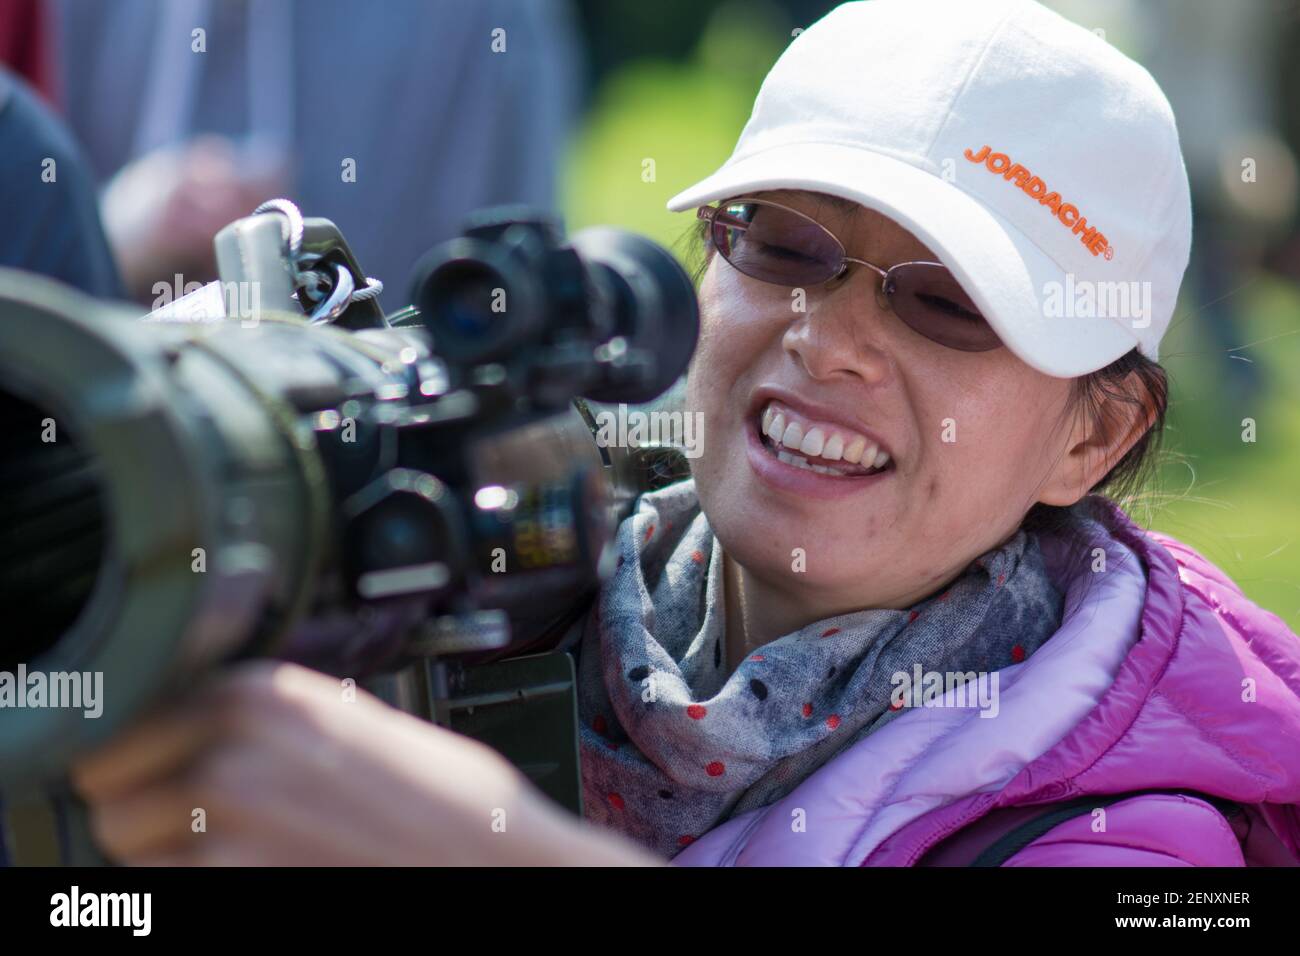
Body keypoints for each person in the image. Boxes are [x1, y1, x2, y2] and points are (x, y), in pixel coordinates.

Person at [71, 0, 1300, 866]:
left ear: (1095, 437)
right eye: (781, 245)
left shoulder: (1135, 831)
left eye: (947, 303)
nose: (829, 340)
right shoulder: (498, 585)